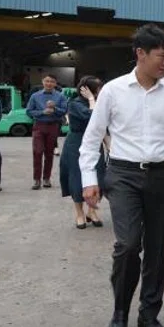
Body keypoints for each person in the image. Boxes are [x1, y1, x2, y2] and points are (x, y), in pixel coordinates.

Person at [79, 24, 164, 327]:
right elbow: (91, 139)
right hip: (122, 174)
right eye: (161, 56)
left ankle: (149, 313)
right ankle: (120, 310)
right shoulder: (114, 91)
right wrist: (89, 180)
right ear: (140, 54)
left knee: (156, 248)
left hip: (160, 175)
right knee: (129, 244)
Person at [60, 75, 107, 229]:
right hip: (77, 143)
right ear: (87, 89)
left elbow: (103, 125)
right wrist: (92, 101)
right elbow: (94, 118)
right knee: (77, 178)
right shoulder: (75, 104)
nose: (101, 91)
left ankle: (92, 211)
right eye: (98, 89)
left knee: (98, 176)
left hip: (95, 143)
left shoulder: (100, 103)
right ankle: (80, 213)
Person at [26, 74, 68, 190]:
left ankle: (46, 178)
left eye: (52, 81)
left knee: (49, 153)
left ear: (55, 83)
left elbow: (64, 111)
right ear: (42, 82)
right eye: (47, 81)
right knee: (38, 152)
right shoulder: (35, 96)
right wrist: (42, 112)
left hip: (53, 126)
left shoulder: (60, 97)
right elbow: (29, 111)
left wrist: (55, 108)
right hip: (39, 126)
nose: (49, 83)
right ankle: (36, 179)